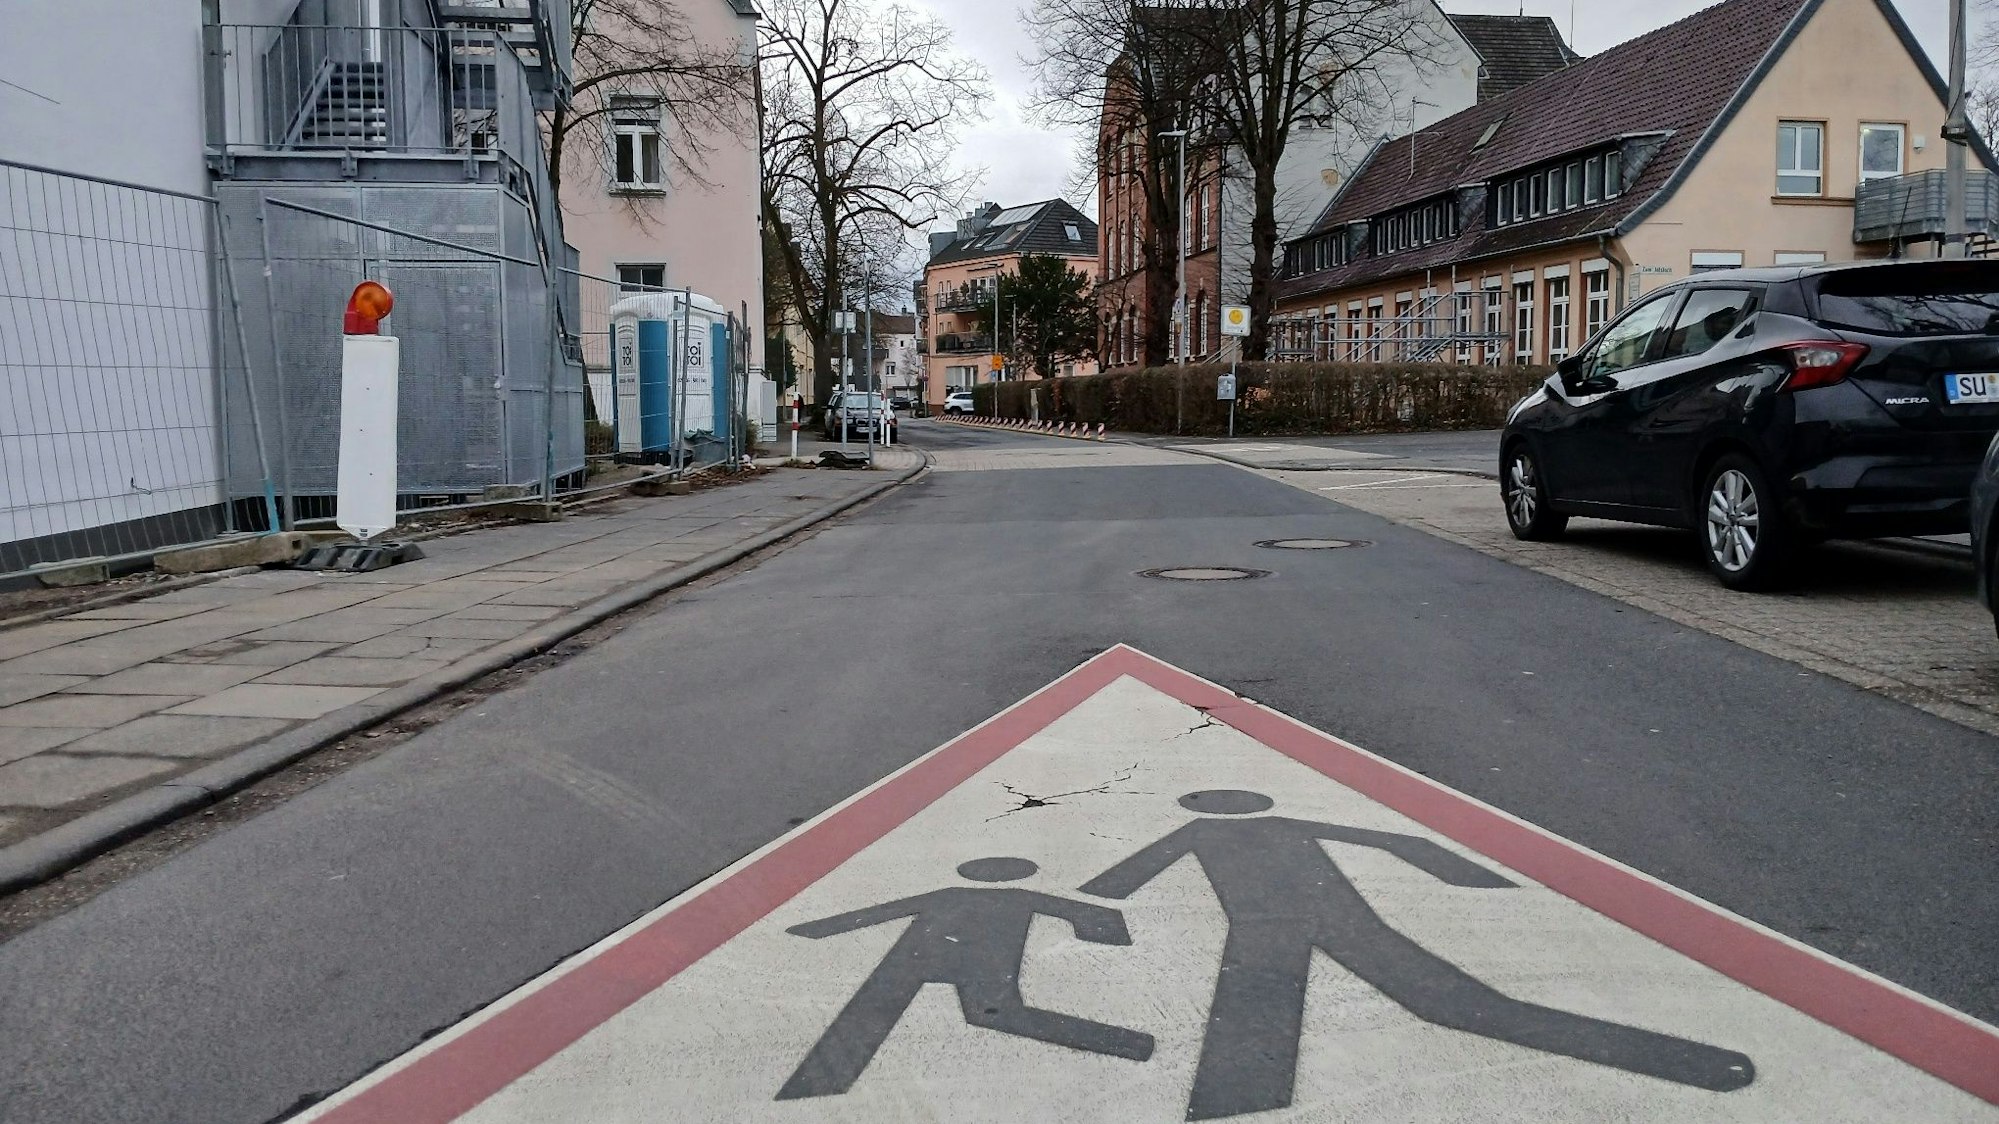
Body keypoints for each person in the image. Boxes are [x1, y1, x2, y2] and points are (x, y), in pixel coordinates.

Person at [1082, 790, 1755, 1120]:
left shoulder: (1199, 831)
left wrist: (1096, 907)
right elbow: (1396, 843)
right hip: (1294, 928)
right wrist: (1463, 873)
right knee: (1261, 1028)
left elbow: (1123, 877)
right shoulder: (1243, 827)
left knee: (1452, 1006)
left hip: (1294, 926)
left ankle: (1684, 1061)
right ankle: (1689, 1062)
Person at [777, 857, 1154, 1099]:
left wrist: (818, 929)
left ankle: (818, 1084)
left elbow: (883, 912)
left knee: (869, 1014)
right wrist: (1105, 936)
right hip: (969, 963)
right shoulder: (1020, 896)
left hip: (915, 960)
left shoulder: (952, 894)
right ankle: (1126, 1043)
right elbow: (1095, 916)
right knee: (1001, 1013)